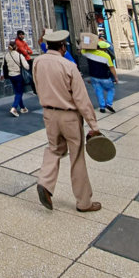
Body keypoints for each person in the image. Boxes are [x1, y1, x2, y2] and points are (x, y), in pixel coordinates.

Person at [32, 29, 102, 213]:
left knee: (54, 149)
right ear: (63, 46)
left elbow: (37, 87)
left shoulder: (37, 62)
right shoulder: (69, 66)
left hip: (49, 114)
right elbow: (82, 99)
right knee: (76, 156)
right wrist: (93, 126)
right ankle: (84, 202)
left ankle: (45, 183)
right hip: (69, 116)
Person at [80, 32, 118, 113]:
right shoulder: (106, 56)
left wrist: (86, 42)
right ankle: (109, 104)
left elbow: (81, 50)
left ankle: (102, 107)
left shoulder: (88, 53)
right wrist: (116, 77)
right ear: (103, 48)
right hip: (104, 77)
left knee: (99, 92)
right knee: (111, 89)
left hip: (94, 77)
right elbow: (112, 68)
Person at [3, 41, 30, 117]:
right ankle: (14, 108)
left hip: (11, 75)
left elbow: (3, 66)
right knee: (19, 93)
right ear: (16, 47)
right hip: (18, 75)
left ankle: (23, 107)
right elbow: (26, 66)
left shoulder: (6, 55)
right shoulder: (19, 55)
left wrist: (2, 75)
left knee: (17, 91)